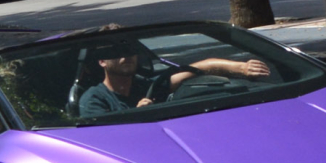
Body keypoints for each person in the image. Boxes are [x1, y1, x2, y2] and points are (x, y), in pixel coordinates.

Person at [78, 38, 272, 118]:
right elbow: (105, 142)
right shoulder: (93, 100)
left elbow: (200, 67)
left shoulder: (148, 87)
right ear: (102, 61)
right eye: (116, 52)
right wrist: (137, 116)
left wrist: (241, 68)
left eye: (130, 50)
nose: (125, 56)